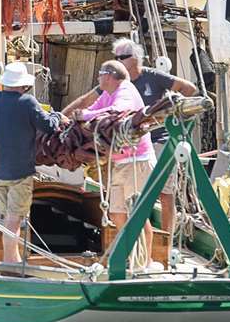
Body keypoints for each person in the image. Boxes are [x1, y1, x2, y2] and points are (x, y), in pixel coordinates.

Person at [66, 41, 196, 233]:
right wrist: (63, 116)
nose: (116, 61)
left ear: (134, 59)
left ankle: (166, 244)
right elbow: (87, 101)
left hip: (160, 141)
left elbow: (188, 88)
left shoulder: (151, 78)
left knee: (165, 194)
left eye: (120, 58)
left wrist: (175, 115)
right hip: (131, 146)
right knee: (129, 203)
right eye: (115, 58)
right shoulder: (113, 85)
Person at [0, 61, 61, 263]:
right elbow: (49, 127)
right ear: (23, 85)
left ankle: (13, 256)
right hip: (20, 173)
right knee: (14, 219)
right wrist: (56, 115)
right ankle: (11, 260)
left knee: (8, 216)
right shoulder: (27, 102)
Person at [75, 60, 156, 269]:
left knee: (136, 213)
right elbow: (94, 109)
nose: (98, 78)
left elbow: (118, 110)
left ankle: (145, 262)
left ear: (110, 75)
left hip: (136, 162)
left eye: (100, 74)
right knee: (117, 213)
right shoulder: (107, 93)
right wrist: (79, 117)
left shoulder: (125, 90)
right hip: (120, 163)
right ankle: (129, 256)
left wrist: (86, 116)